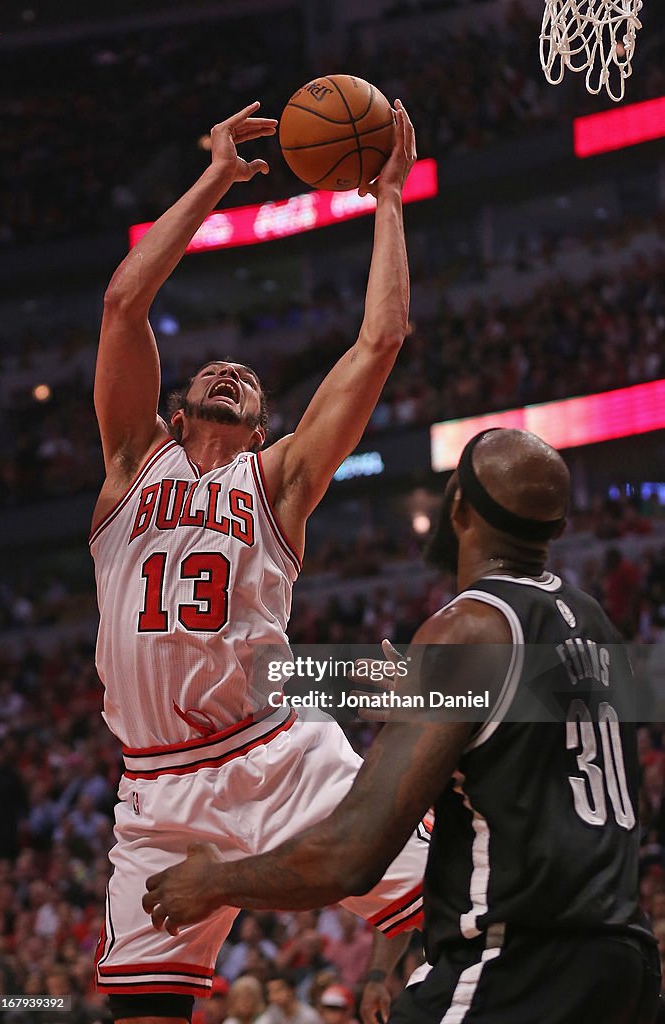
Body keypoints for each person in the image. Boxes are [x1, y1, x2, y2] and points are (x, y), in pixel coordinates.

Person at [91, 99, 428, 1023]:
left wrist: (388, 199)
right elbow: (125, 301)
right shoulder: (129, 468)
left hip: (278, 753)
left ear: (263, 427)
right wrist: (214, 180)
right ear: (173, 412)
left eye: (248, 384)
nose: (231, 369)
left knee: (452, 915)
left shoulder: (276, 482)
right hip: (157, 785)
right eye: (211, 375)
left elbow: (379, 342)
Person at [143, 428, 662, 1024]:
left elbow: (351, 855)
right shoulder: (597, 627)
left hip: (520, 966)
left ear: (458, 508)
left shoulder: (467, 629)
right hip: (627, 967)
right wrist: (435, 704)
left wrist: (213, 883)